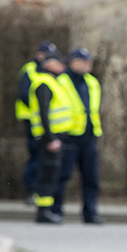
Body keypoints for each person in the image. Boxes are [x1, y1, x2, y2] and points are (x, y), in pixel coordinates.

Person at [54, 47, 103, 224]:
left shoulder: (92, 82)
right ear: (73, 62)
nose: (88, 64)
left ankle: (90, 213)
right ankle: (55, 210)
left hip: (89, 137)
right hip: (68, 136)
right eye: (84, 61)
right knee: (62, 176)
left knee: (91, 178)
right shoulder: (61, 81)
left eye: (89, 60)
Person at [28, 50, 72, 224]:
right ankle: (43, 212)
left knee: (51, 174)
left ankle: (46, 211)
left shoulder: (53, 82)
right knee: (46, 175)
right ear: (48, 64)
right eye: (59, 62)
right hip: (48, 139)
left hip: (54, 138)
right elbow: (43, 114)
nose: (63, 65)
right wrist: (51, 138)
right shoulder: (44, 83)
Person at [17, 41, 57, 204]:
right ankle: (31, 191)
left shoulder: (46, 72)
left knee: (41, 159)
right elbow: (25, 94)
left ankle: (37, 192)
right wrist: (36, 109)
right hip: (30, 119)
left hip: (39, 121)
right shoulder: (29, 69)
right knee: (35, 155)